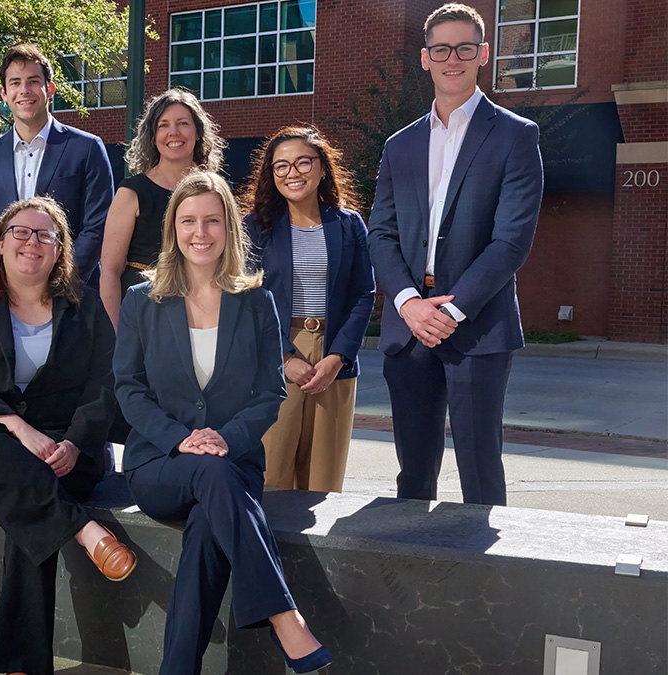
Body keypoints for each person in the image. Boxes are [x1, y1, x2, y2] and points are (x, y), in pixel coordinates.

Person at [114, 171, 332, 675]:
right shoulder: (141, 301)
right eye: (188, 221)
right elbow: (128, 387)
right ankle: (283, 615)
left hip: (231, 464)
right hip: (160, 463)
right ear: (173, 229)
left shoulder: (257, 301)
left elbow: (269, 392)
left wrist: (224, 439)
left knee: (207, 534)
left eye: (213, 221)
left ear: (230, 228)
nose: (200, 232)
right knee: (212, 477)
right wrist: (183, 438)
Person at [0, 197, 136, 675]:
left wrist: (76, 440)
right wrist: (16, 425)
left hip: (63, 452)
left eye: (46, 235)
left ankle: (22, 665)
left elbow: (105, 383)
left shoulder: (83, 308)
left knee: (30, 503)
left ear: (60, 248)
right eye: (21, 232)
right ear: (0, 244)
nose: (33, 242)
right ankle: (85, 530)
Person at [366, 2, 542, 506]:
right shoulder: (399, 145)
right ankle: (415, 577)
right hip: (409, 326)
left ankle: (482, 584)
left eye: (465, 47)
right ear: (426, 58)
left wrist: (453, 308)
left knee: (480, 475)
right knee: (413, 477)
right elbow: (381, 233)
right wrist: (407, 302)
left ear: (483, 54)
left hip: (479, 326)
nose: (453, 58)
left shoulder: (515, 135)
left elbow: (511, 241)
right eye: (441, 48)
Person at [243, 127, 375, 493]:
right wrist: (284, 358)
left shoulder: (349, 225)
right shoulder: (255, 228)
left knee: (323, 480)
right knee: (272, 472)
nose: (292, 173)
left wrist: (338, 357)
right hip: (277, 352)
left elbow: (364, 293)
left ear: (321, 168)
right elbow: (246, 300)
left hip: (334, 355)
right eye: (280, 166)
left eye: (303, 162)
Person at [0, 44, 114, 283]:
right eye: (15, 83)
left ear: (49, 89)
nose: (24, 90)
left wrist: (62, 281)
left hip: (71, 293)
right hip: (0, 295)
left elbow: (97, 226)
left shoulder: (87, 149)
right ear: (3, 93)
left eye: (33, 81)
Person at [99, 88, 224, 328]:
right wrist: (116, 334)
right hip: (144, 312)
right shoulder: (131, 192)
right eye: (163, 125)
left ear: (198, 132)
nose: (173, 132)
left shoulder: (215, 191)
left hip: (204, 312)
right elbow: (110, 271)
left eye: (183, 123)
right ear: (153, 135)